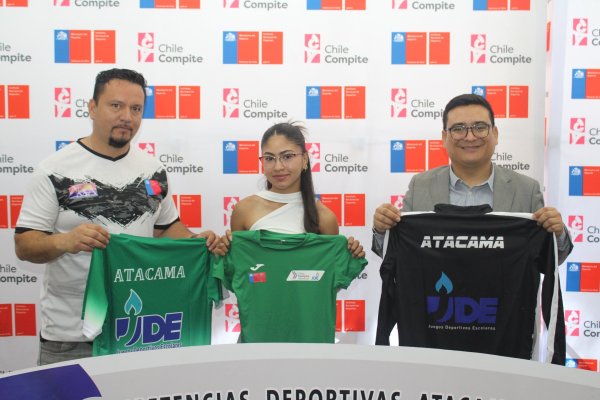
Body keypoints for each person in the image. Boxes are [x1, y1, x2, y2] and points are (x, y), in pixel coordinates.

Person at [14, 68, 223, 365]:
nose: (127, 116)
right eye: (116, 105)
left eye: (136, 109)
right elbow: (24, 244)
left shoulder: (153, 170)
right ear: (92, 108)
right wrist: (66, 241)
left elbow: (166, 228)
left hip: (140, 332)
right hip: (72, 338)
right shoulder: (54, 170)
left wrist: (196, 241)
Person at [372, 93, 573, 264]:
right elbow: (399, 254)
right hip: (437, 298)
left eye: (480, 127)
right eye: (458, 129)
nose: (469, 137)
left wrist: (558, 234)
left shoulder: (526, 190)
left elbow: (548, 259)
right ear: (444, 137)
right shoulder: (420, 186)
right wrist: (382, 231)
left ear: (495, 134)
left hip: (503, 298)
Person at [224, 122, 363, 257]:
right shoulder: (243, 210)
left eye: (287, 156)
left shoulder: (325, 218)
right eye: (269, 158)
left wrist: (349, 255)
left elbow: (329, 269)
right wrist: (221, 250)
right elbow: (239, 264)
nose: (278, 167)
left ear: (304, 159)